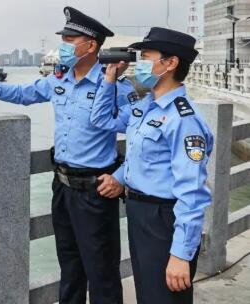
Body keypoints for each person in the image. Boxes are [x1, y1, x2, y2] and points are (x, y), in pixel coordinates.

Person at [0, 7, 136, 304]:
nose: (63, 46)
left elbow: (142, 137)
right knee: (69, 266)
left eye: (70, 40)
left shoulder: (115, 86)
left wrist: (120, 177)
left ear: (90, 45)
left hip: (96, 190)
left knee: (102, 271)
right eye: (63, 39)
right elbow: (22, 94)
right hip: (62, 187)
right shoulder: (59, 80)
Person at [90, 27, 213, 304]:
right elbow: (101, 120)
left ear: (171, 63)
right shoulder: (146, 105)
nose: (140, 64)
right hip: (139, 213)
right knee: (148, 294)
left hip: (164, 219)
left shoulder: (183, 120)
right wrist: (110, 78)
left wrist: (181, 254)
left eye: (146, 56)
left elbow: (192, 193)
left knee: (164, 297)